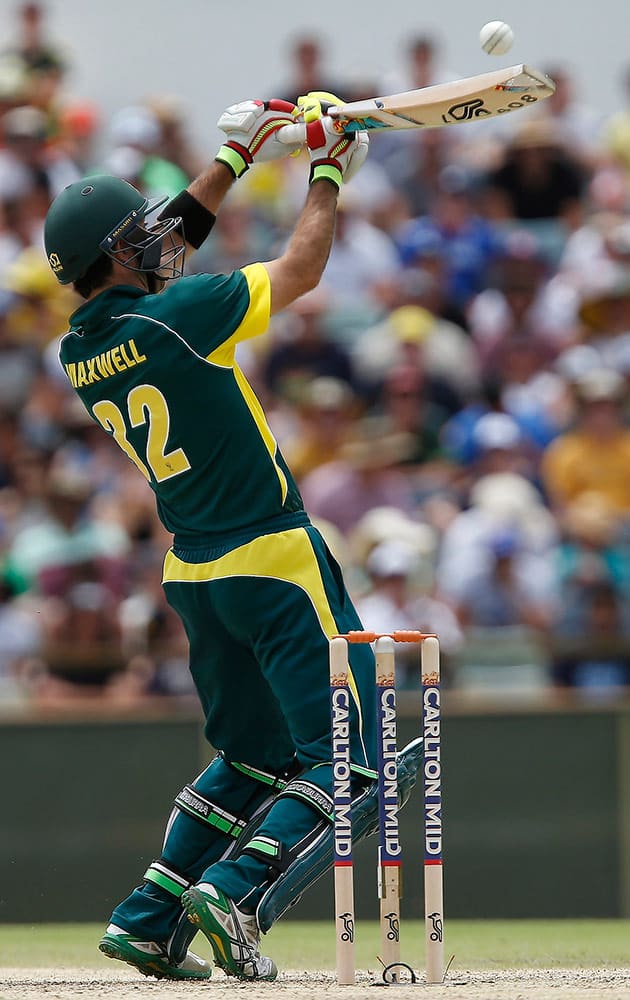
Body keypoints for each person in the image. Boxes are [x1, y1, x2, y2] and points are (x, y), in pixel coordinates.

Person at [44, 97, 420, 982]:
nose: (153, 239)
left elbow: (156, 258)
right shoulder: (186, 315)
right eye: (135, 232)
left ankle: (148, 918)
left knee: (252, 757)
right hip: (276, 559)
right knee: (354, 763)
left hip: (195, 573)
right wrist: (325, 175)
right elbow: (300, 269)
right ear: (114, 253)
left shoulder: (82, 347)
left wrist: (237, 154)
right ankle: (240, 888)